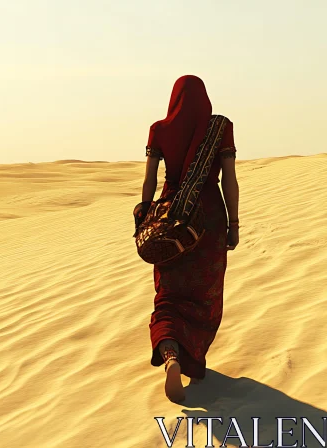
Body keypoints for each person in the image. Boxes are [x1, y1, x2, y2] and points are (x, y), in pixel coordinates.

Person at [134, 75, 240, 403]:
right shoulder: (220, 128)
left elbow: (149, 180)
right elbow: (229, 182)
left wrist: (145, 215)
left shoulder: (159, 129)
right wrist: (233, 224)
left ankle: (171, 354)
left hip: (170, 217)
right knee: (204, 294)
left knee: (168, 293)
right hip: (207, 217)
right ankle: (192, 359)